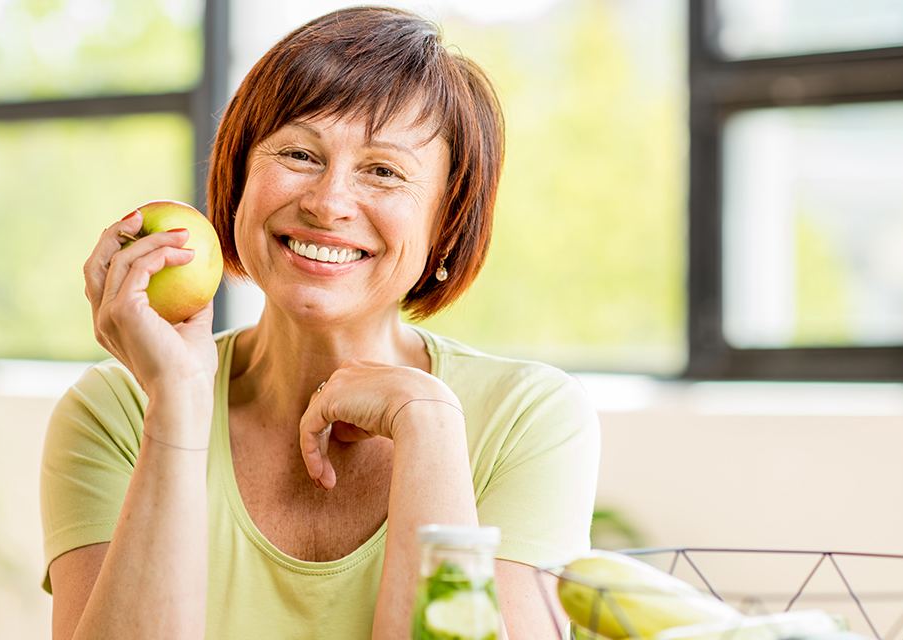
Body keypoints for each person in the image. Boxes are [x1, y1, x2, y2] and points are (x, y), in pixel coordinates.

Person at [41, 6, 600, 639]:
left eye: (383, 171)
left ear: (446, 224)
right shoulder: (114, 413)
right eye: (300, 154)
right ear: (239, 178)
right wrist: (178, 401)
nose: (328, 202)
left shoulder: (527, 417)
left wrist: (427, 423)